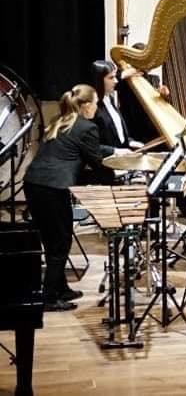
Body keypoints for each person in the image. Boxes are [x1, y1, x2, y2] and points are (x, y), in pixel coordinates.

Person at [24, 85, 131, 310]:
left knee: (52, 239)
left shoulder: (61, 122)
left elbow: (86, 147)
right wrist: (118, 174)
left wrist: (115, 151)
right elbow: (96, 162)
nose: (96, 108)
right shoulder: (88, 127)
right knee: (60, 242)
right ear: (86, 106)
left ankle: (60, 288)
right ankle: (50, 298)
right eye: (95, 103)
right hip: (53, 188)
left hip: (34, 183)